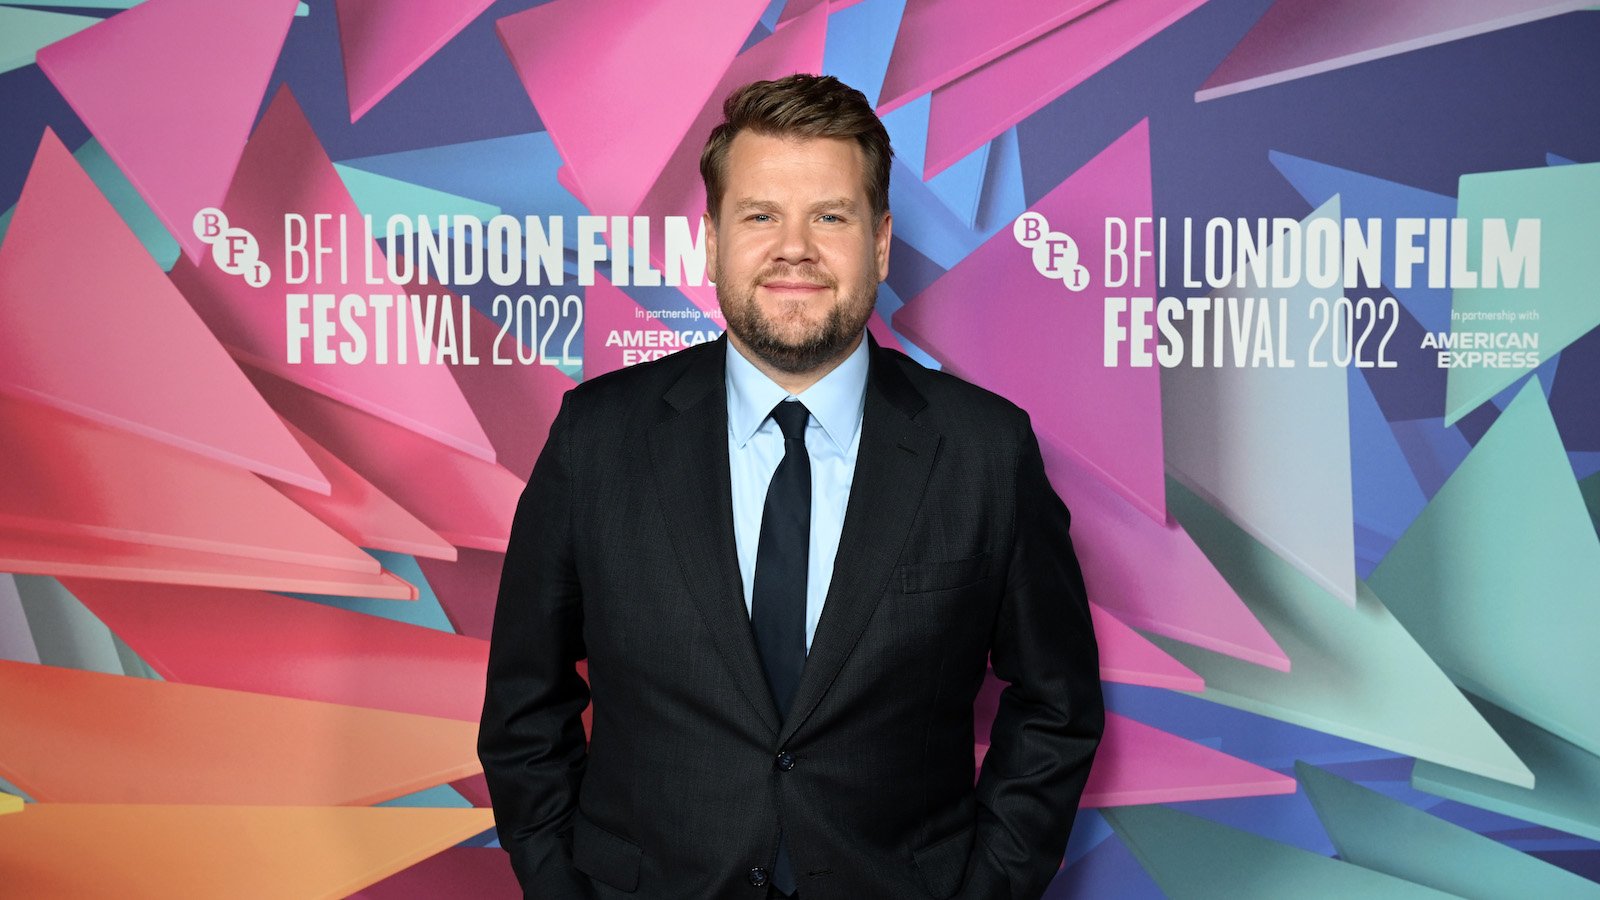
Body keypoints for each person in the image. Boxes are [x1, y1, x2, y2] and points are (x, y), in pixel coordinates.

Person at [479, 73, 1103, 900]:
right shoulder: (595, 441)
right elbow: (525, 703)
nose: (794, 248)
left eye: (830, 217)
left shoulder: (985, 451)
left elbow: (1057, 706)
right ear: (711, 239)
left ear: (880, 243)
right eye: (761, 215)